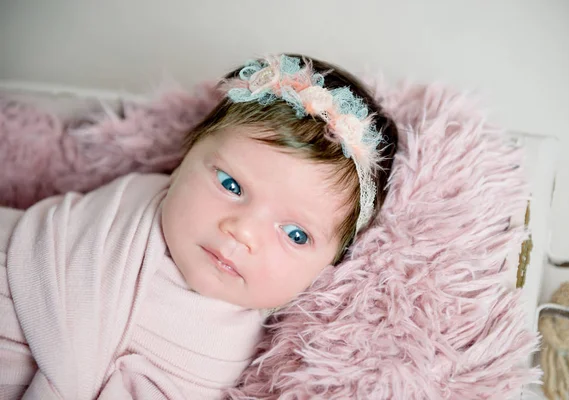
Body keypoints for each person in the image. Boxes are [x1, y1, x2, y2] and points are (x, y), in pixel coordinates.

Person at [0, 54, 398, 399]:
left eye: (295, 235)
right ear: (184, 158)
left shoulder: (235, 353)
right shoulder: (120, 211)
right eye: (230, 185)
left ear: (331, 266)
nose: (241, 231)